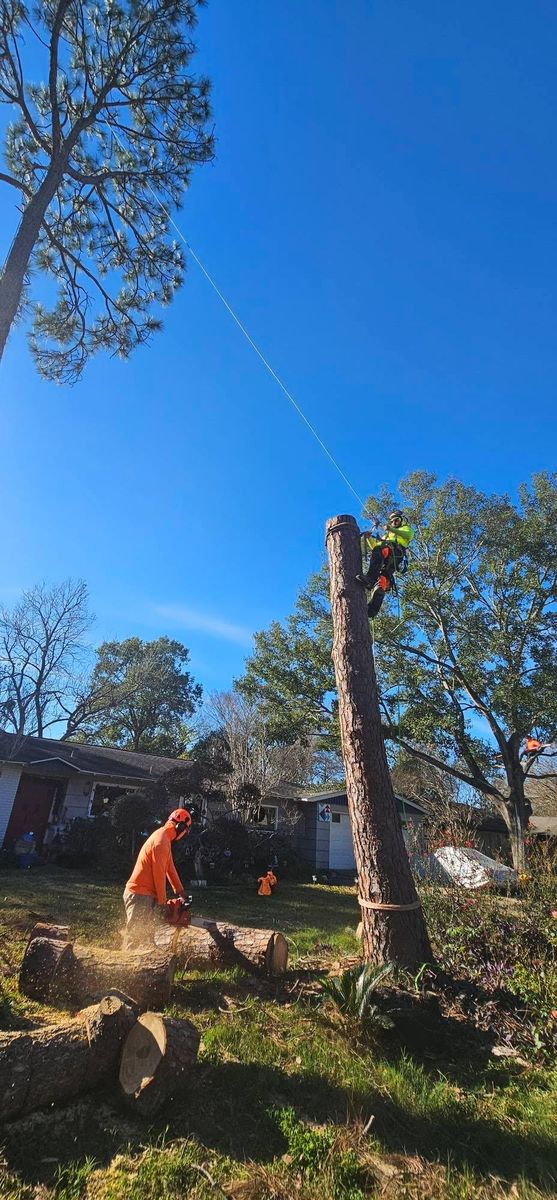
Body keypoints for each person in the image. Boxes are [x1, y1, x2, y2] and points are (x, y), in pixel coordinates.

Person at [123, 808, 192, 949]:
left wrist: (181, 892)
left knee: (146, 936)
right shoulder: (161, 841)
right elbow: (159, 874)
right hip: (139, 894)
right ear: (181, 827)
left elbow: (170, 868)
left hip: (145, 894)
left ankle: (144, 966)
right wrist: (162, 902)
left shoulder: (164, 838)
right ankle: (124, 967)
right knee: (135, 937)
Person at [356, 510, 413, 617]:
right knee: (382, 582)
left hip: (395, 553)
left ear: (401, 521)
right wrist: (368, 539)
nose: (394, 523)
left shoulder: (406, 529)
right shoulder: (387, 535)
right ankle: (372, 611)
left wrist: (391, 529)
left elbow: (408, 535)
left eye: (396, 520)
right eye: (392, 521)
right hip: (386, 559)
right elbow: (375, 548)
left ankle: (370, 578)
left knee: (381, 550)